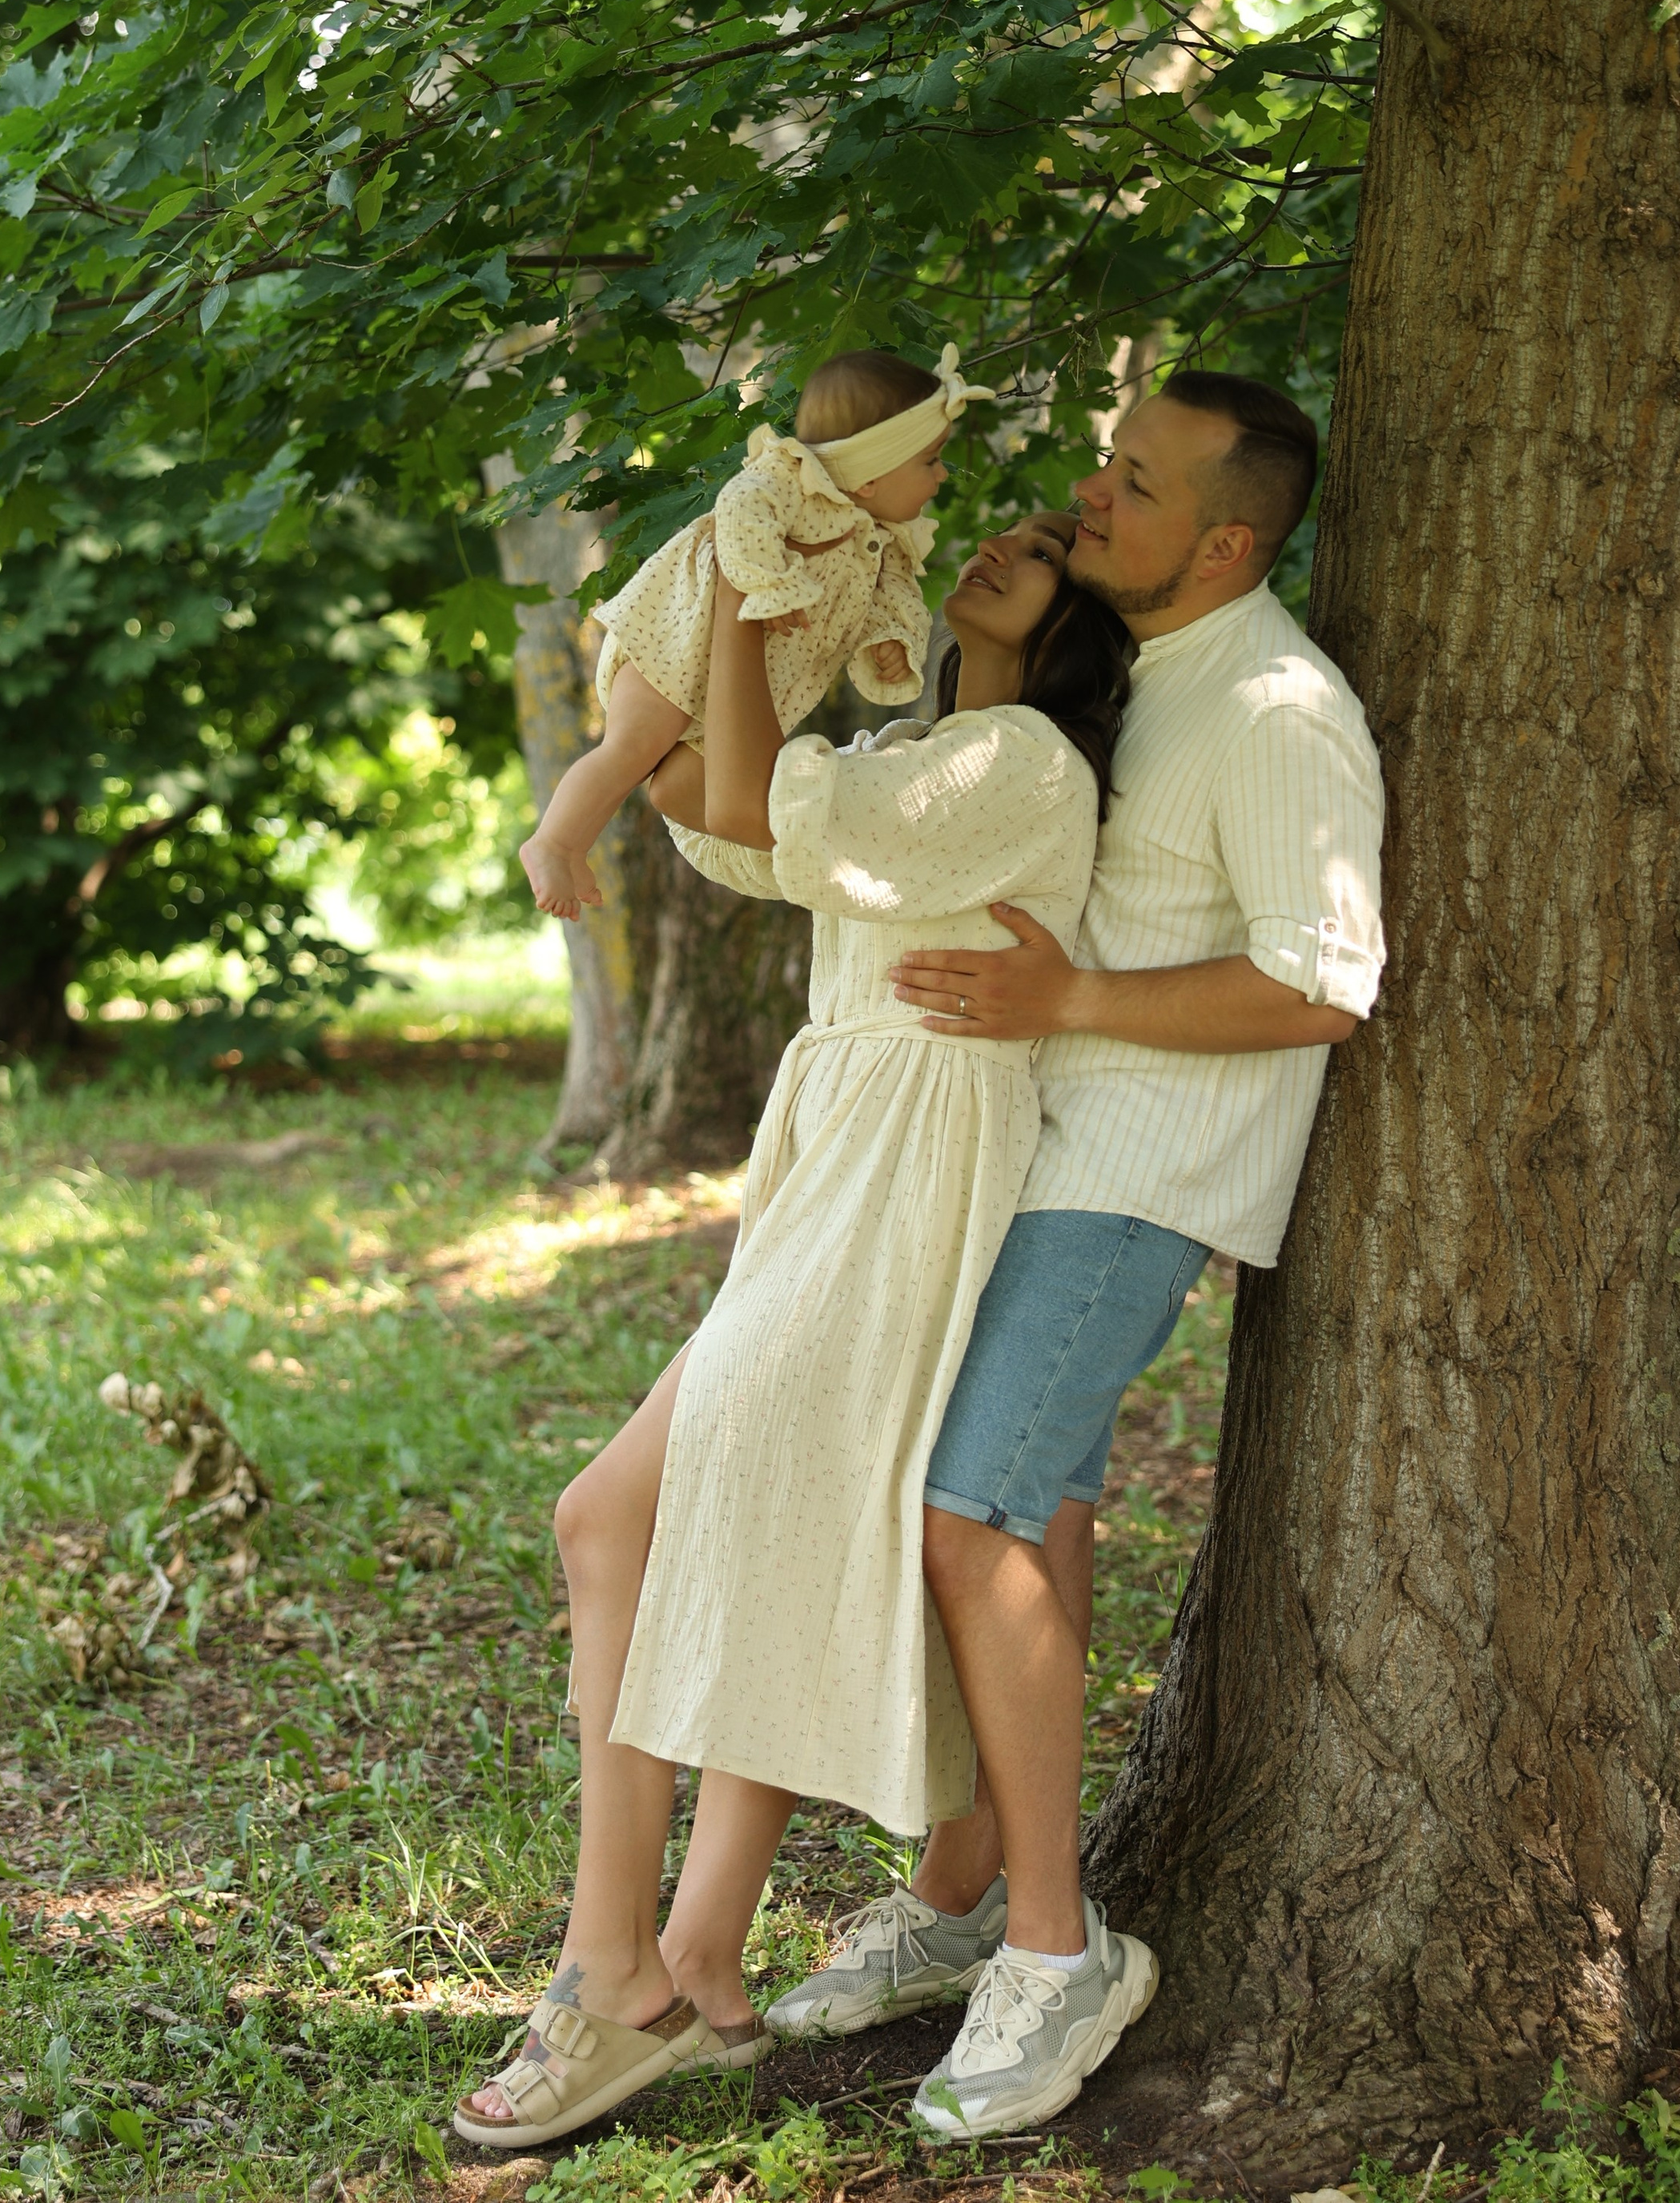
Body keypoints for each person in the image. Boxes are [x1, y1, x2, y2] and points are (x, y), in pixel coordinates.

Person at [453, 509, 1144, 2153]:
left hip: (914, 1163)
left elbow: (768, 795)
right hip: (835, 1153)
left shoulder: (1028, 765)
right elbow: (724, 805)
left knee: (706, 1510)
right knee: (614, 1518)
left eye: (1046, 548)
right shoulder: (916, 748)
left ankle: (651, 1961)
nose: (1002, 541)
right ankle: (636, 1957)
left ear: (1077, 623)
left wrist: (764, 612)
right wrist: (715, 630)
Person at [770, 369, 1386, 2145]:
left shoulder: (1276, 709)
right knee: (1019, 1514)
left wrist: (1073, 1003)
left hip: (1133, 1174)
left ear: (1229, 539)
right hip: (1028, 1146)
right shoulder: (1141, 673)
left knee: (964, 1515)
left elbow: (1320, 982)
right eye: (1103, 466)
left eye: (1132, 481)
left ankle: (1055, 1952)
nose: (1090, 494)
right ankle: (962, 1889)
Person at [517, 345, 994, 919]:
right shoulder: (786, 482)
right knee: (630, 749)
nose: (942, 474)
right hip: (677, 641)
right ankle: (556, 841)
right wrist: (773, 584)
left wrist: (890, 640)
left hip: (739, 688)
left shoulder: (882, 538)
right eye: (930, 460)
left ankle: (796, 850)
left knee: (690, 778)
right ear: (871, 474)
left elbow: (898, 598)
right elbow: (739, 513)